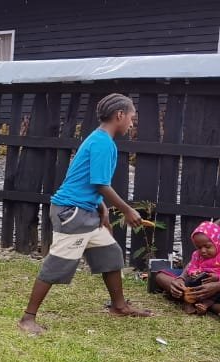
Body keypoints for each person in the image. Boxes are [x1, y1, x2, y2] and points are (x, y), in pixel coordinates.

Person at [18, 93, 153, 335]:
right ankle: (28, 318)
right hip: (72, 212)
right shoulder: (102, 143)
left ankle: (119, 306)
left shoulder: (100, 139)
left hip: (86, 210)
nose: (132, 123)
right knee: (58, 261)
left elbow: (88, 181)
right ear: (119, 115)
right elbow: (101, 183)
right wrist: (127, 210)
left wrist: (101, 209)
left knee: (111, 253)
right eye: (132, 117)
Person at [150, 222, 220, 315]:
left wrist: (217, 284)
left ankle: (205, 304)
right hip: (198, 280)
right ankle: (188, 298)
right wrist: (182, 278)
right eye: (199, 247)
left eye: (207, 247)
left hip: (216, 281)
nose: (203, 251)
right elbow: (192, 265)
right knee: (161, 276)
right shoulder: (202, 249)